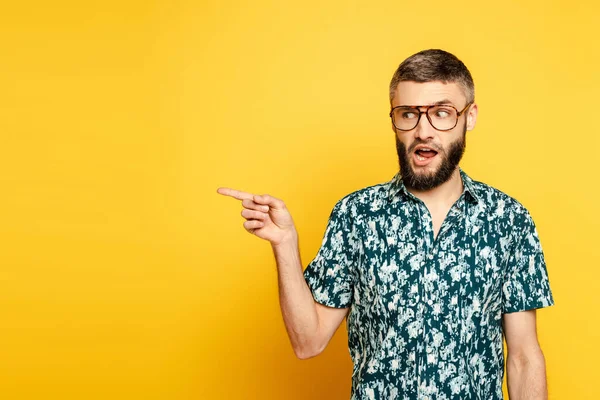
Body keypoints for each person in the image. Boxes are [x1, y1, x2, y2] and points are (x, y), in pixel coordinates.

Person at [217, 48, 554, 400]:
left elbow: (524, 358)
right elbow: (308, 342)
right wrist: (285, 244)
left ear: (469, 117)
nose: (423, 131)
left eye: (442, 113)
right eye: (408, 114)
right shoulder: (356, 215)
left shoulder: (509, 221)